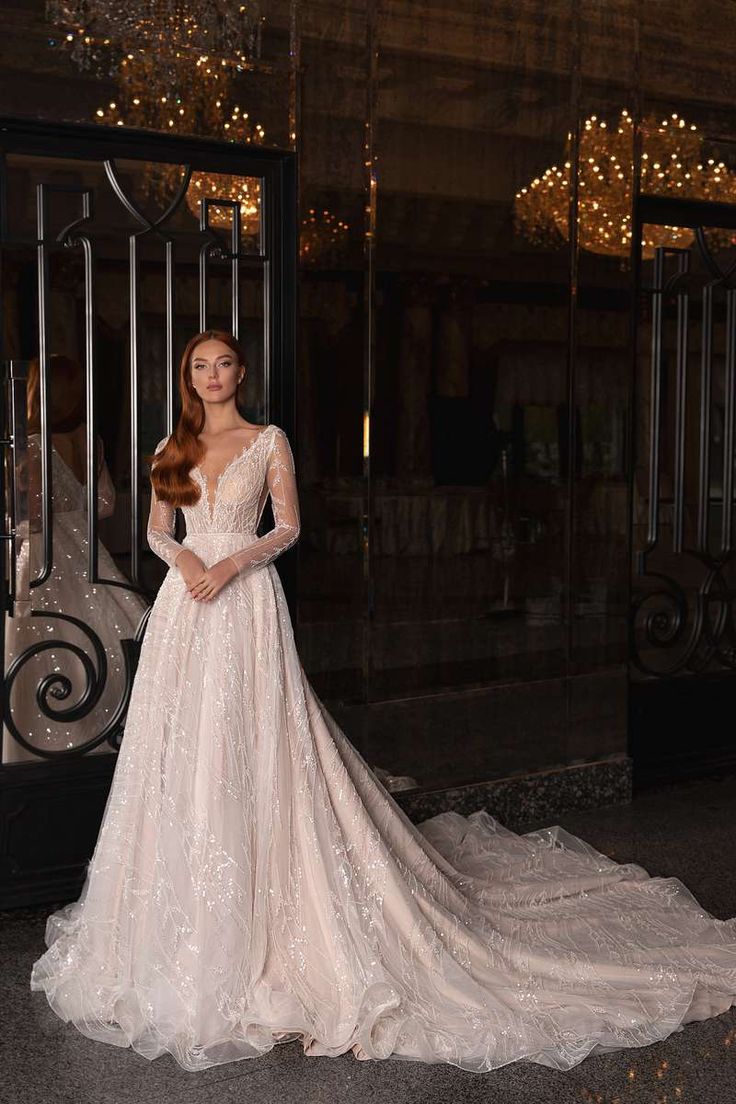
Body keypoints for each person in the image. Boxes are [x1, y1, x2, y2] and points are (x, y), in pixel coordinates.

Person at [30, 330, 736, 1073]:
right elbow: (153, 531)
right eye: (199, 367)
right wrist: (190, 566)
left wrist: (232, 561)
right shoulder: (169, 448)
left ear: (243, 371)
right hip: (186, 607)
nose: (211, 377)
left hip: (245, 601)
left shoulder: (269, 439)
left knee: (259, 738)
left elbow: (290, 526)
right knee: (184, 749)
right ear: (188, 377)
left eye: (223, 364)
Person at [3, 354, 148, 763]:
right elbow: (104, 504)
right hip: (87, 549)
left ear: (34, 391)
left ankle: (48, 743)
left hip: (43, 552)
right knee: (107, 635)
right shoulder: (91, 440)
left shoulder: (29, 445)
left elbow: (25, 514)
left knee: (43, 643)